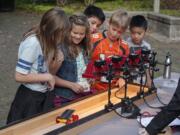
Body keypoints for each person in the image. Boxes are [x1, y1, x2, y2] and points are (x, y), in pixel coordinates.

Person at [7, 7, 69, 124]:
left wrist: (57, 61)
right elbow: (19, 76)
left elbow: (49, 72)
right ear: (48, 29)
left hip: (44, 95)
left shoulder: (49, 41)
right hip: (29, 97)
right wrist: (47, 77)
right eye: (59, 35)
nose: (61, 39)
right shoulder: (33, 43)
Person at [54, 14, 92, 106]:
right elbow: (50, 76)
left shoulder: (84, 48)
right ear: (68, 31)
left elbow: (82, 70)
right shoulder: (60, 49)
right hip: (65, 97)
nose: (78, 36)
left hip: (83, 93)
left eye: (81, 34)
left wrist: (90, 78)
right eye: (75, 33)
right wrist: (71, 85)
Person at [91, 9, 130, 91]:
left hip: (114, 88)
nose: (115, 34)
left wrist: (122, 78)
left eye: (119, 32)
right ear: (109, 23)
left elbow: (124, 66)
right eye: (114, 29)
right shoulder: (94, 39)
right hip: (94, 87)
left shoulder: (124, 46)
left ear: (124, 31)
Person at [126, 15, 152, 87]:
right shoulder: (126, 45)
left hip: (143, 82)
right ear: (130, 30)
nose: (136, 36)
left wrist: (149, 79)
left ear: (145, 31)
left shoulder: (147, 47)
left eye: (139, 33)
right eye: (133, 33)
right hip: (129, 82)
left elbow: (149, 66)